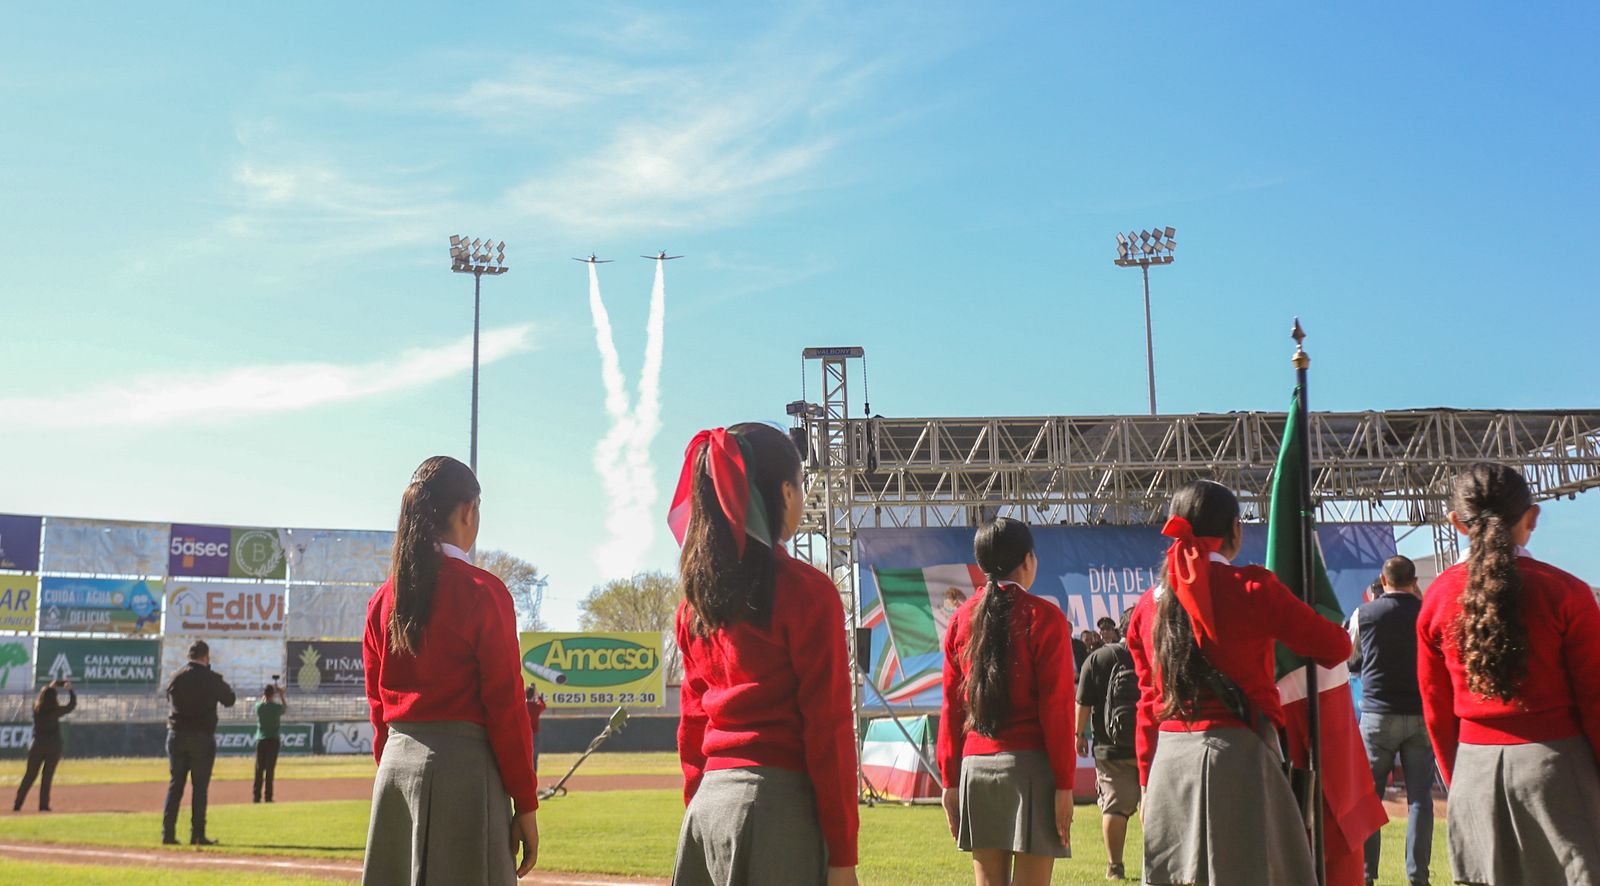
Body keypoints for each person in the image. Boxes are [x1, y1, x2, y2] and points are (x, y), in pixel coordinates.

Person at [1126, 479, 1351, 886]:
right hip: (1241, 757)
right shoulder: (1253, 587)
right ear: (1234, 529)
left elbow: (1146, 703)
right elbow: (1335, 648)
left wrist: (1145, 781)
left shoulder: (1145, 607)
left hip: (1169, 763)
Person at [668, 424, 858, 886]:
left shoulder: (693, 606)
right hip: (778, 810)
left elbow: (692, 724)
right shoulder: (808, 592)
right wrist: (843, 853)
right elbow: (828, 728)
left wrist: (699, 805)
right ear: (785, 493)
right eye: (800, 486)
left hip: (707, 807)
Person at [1417, 463, 1600, 885]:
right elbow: (1595, 698)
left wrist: (1459, 778)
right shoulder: (1566, 592)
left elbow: (1435, 705)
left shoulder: (1438, 597)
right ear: (1531, 518)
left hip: (1473, 770)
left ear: (1456, 523)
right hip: (1558, 767)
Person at [362, 456, 538, 885]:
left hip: (395, 771)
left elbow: (378, 707)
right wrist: (525, 802)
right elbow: (506, 707)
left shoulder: (383, 600)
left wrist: (392, 765)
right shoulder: (483, 592)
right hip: (463, 774)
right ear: (468, 511)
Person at [937, 517, 1075, 886]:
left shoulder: (960, 620)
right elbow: (1058, 709)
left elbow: (951, 707)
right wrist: (1065, 784)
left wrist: (949, 781)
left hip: (976, 769)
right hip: (1031, 768)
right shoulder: (1045, 617)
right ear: (1028, 560)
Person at [1347, 555, 1433, 886]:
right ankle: (1418, 877)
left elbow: (1351, 659)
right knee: (1420, 800)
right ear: (1414, 582)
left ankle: (1367, 876)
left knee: (1370, 800)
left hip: (1377, 717)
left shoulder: (1365, 613)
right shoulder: (1425, 612)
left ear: (1383, 582)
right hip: (1419, 715)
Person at [1075, 608, 1141, 880]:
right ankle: (1156, 865)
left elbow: (1083, 702)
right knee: (1153, 803)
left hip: (1109, 746)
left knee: (1114, 807)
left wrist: (1079, 735)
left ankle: (1115, 867)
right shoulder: (1153, 654)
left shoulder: (1098, 658)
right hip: (1150, 744)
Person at [163, 640, 236, 845]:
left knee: (176, 785)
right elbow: (230, 699)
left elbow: (169, 698)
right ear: (206, 657)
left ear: (189, 656)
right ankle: (197, 833)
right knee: (200, 787)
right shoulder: (211, 678)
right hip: (201, 736)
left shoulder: (176, 677)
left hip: (176, 734)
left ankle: (168, 833)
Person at [13, 678, 76, 812]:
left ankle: (17, 803)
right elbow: (71, 706)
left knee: (30, 775)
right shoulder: (56, 710)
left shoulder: (36, 709)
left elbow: (45, 696)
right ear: (54, 698)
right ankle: (43, 805)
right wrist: (70, 690)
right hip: (53, 745)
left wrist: (50, 687)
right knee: (47, 777)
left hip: (38, 745)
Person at [253, 683, 286, 803]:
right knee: (270, 770)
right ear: (273, 695)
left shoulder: (259, 707)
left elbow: (261, 702)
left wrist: (268, 695)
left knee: (259, 769)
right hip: (273, 740)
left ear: (264, 694)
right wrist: (281, 695)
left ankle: (256, 796)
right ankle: (268, 796)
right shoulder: (276, 708)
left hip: (261, 739)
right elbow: (284, 708)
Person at [525, 686, 546, 774]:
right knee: (534, 757)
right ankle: (534, 776)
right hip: (534, 735)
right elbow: (543, 705)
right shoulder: (536, 707)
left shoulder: (523, 706)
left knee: (525, 756)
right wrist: (538, 695)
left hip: (524, 734)